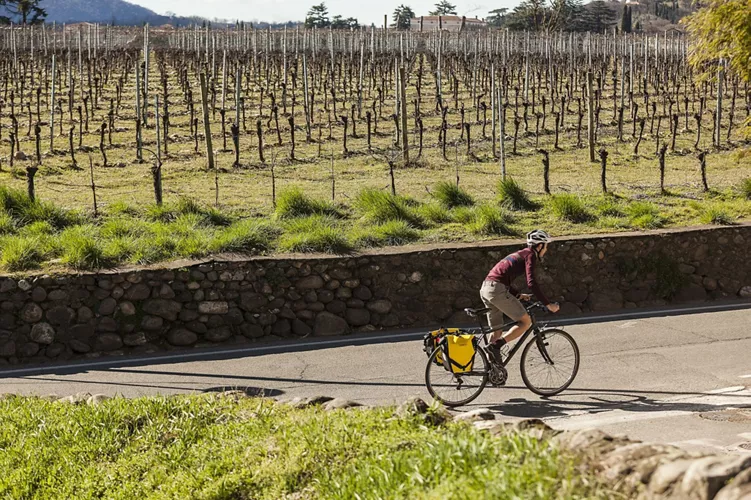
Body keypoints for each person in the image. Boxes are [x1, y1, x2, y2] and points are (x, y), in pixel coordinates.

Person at [480, 229, 559, 363]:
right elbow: (532, 283)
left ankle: (493, 372)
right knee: (525, 322)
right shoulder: (530, 255)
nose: (546, 250)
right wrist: (548, 304)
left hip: (486, 289)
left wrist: (518, 295)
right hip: (497, 290)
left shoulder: (520, 253)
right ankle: (496, 346)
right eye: (546, 246)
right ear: (539, 246)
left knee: (496, 332)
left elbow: (500, 278)